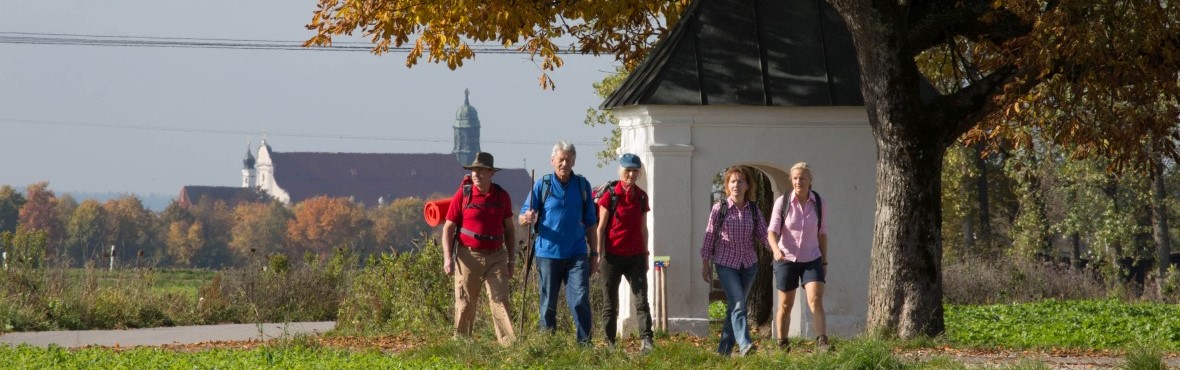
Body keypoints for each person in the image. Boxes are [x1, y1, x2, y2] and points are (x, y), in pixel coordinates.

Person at [519, 140, 599, 344]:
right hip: (547, 254)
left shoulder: (582, 185)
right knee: (548, 303)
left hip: (577, 253)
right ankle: (548, 345)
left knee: (580, 298)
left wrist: (595, 253)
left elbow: (591, 223)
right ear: (552, 160)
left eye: (569, 160)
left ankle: (585, 345)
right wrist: (526, 217)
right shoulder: (542, 184)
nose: (565, 164)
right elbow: (522, 216)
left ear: (574, 161)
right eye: (561, 159)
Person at [441, 152, 517, 345]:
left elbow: (510, 229)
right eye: (474, 170)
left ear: (491, 173)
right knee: (465, 302)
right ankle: (461, 344)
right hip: (468, 256)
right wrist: (448, 258)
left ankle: (509, 347)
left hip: (496, 256)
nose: (476, 174)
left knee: (500, 300)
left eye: (481, 171)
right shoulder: (463, 195)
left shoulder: (502, 196)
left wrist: (511, 260)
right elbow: (448, 228)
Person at [700, 166, 768, 356]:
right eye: (732, 181)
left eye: (740, 181)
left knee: (734, 307)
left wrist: (779, 252)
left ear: (747, 185)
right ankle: (746, 344)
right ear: (727, 186)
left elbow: (764, 235)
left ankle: (723, 351)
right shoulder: (719, 208)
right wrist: (705, 263)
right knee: (739, 304)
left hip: (749, 265)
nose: (736, 185)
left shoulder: (753, 209)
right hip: (726, 263)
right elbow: (710, 236)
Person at [766, 162, 830, 352]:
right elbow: (771, 232)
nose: (798, 181)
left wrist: (824, 260)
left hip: (812, 258)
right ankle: (782, 343)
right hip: (786, 259)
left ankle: (822, 342)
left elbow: (822, 234)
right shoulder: (783, 201)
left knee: (815, 299)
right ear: (791, 180)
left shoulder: (819, 202)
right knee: (786, 304)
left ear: (810, 180)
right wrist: (776, 250)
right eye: (795, 178)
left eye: (802, 178)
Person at [595, 153, 654, 353]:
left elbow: (644, 228)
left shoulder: (641, 196)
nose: (630, 174)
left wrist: (646, 255)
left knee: (641, 300)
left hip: (636, 256)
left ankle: (647, 340)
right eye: (627, 170)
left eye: (634, 171)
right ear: (620, 171)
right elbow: (601, 227)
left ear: (638, 173)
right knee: (610, 302)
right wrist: (598, 253)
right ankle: (610, 342)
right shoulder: (610, 195)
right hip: (612, 257)